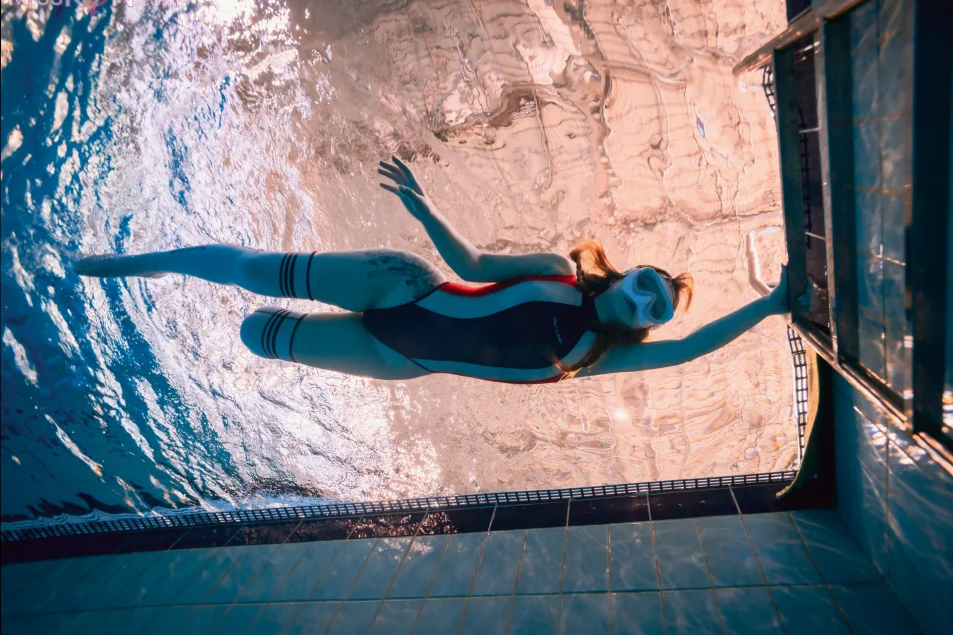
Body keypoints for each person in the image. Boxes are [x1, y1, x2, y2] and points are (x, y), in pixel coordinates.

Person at [75, 156, 791, 383]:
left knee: (254, 334)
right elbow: (472, 263)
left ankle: (219, 323)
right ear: (627, 272)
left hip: (400, 357)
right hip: (403, 283)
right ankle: (139, 265)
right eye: (646, 286)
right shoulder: (556, 271)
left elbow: (695, 348)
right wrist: (426, 210)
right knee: (249, 269)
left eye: (655, 310)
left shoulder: (597, 358)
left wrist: (771, 306)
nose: (643, 306)